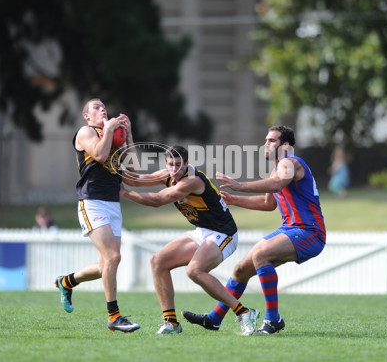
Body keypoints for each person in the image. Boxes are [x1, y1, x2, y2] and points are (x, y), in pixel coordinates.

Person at [182, 125, 326, 335]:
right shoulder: (277, 169)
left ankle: (273, 320)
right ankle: (214, 318)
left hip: (310, 232)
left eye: (271, 141)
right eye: (266, 140)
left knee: (260, 254)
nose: (266, 144)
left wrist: (239, 186)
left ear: (285, 145)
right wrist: (235, 200)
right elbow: (269, 204)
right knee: (241, 269)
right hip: (290, 229)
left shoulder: (289, 162)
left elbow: (277, 185)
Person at [120, 145, 259, 335]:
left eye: (178, 165)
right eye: (170, 165)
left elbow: (158, 200)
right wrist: (122, 147)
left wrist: (125, 193)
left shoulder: (191, 181)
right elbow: (133, 179)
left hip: (224, 233)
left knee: (194, 270)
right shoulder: (167, 174)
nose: (174, 169)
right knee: (158, 261)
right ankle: (171, 323)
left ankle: (244, 312)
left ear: (186, 164)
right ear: (166, 163)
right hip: (203, 231)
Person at [54, 98, 140, 333]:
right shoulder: (86, 132)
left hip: (113, 203)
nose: (102, 109)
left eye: (104, 106)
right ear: (87, 116)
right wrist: (110, 130)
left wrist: (129, 135)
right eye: (96, 107)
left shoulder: (112, 136)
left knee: (107, 264)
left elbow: (132, 170)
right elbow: (100, 156)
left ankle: (66, 282)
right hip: (92, 202)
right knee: (113, 257)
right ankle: (114, 316)